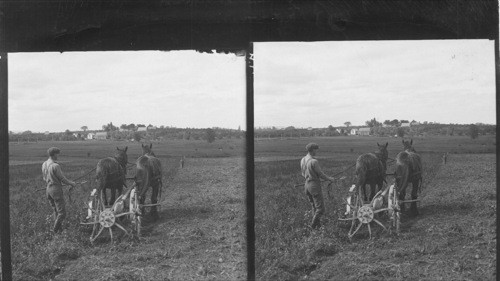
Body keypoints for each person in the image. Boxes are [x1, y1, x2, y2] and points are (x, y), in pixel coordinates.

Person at [300, 143, 335, 229]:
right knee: (320, 209)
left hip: (306, 185)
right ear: (312, 150)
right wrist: (329, 179)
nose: (316, 151)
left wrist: (310, 176)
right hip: (314, 186)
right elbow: (320, 174)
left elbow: (303, 173)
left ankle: (317, 227)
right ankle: (312, 227)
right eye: (316, 150)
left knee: (314, 207)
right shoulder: (314, 161)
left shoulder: (303, 159)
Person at [41, 147, 76, 233]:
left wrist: (52, 181)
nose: (58, 156)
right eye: (57, 154)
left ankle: (59, 230)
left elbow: (44, 178)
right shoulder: (55, 166)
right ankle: (55, 231)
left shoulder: (44, 164)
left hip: (48, 190)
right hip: (55, 190)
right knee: (62, 213)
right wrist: (71, 183)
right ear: (54, 154)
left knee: (55, 210)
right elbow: (62, 179)